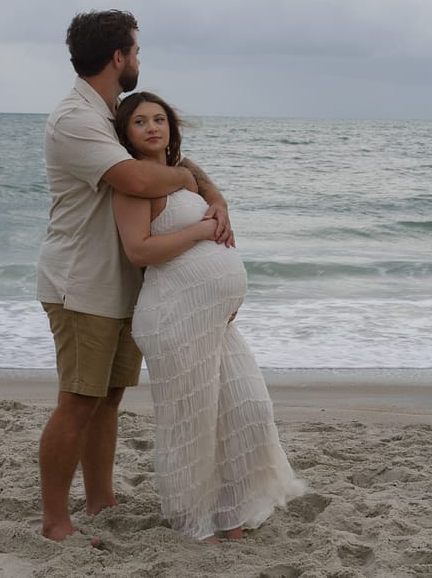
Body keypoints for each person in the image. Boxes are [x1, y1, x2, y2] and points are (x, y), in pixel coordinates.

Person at [36, 10, 233, 542]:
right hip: (83, 284)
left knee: (109, 398)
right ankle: (56, 522)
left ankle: (101, 502)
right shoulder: (75, 119)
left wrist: (213, 197)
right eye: (137, 51)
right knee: (78, 401)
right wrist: (189, 179)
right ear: (119, 57)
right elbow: (138, 176)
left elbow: (170, 156)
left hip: (124, 285)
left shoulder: (109, 114)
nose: (140, 60)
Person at [112, 91, 305, 542]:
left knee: (246, 410)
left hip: (212, 317)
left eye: (159, 119)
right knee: (193, 423)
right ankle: (195, 521)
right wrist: (201, 229)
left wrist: (218, 206)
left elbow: (209, 192)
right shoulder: (133, 185)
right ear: (125, 133)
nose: (152, 128)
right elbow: (139, 250)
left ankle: (230, 512)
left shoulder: (186, 172)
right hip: (173, 317)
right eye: (140, 122)